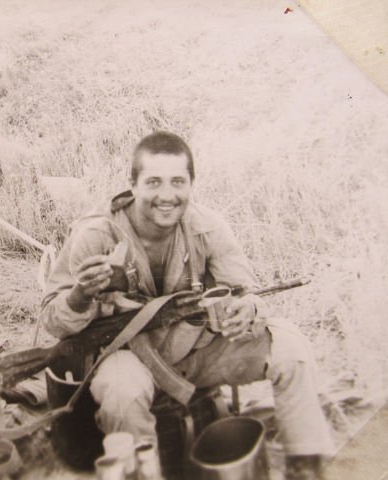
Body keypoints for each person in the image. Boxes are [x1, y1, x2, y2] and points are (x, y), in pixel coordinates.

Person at [40, 131, 334, 480]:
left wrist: (246, 310)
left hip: (195, 352)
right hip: (128, 357)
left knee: (290, 347)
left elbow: (245, 291)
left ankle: (306, 469)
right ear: (132, 185)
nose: (167, 196)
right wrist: (80, 295)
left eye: (178, 181)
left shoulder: (207, 227)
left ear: (192, 184)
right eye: (153, 182)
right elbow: (53, 323)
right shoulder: (96, 234)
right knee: (121, 393)